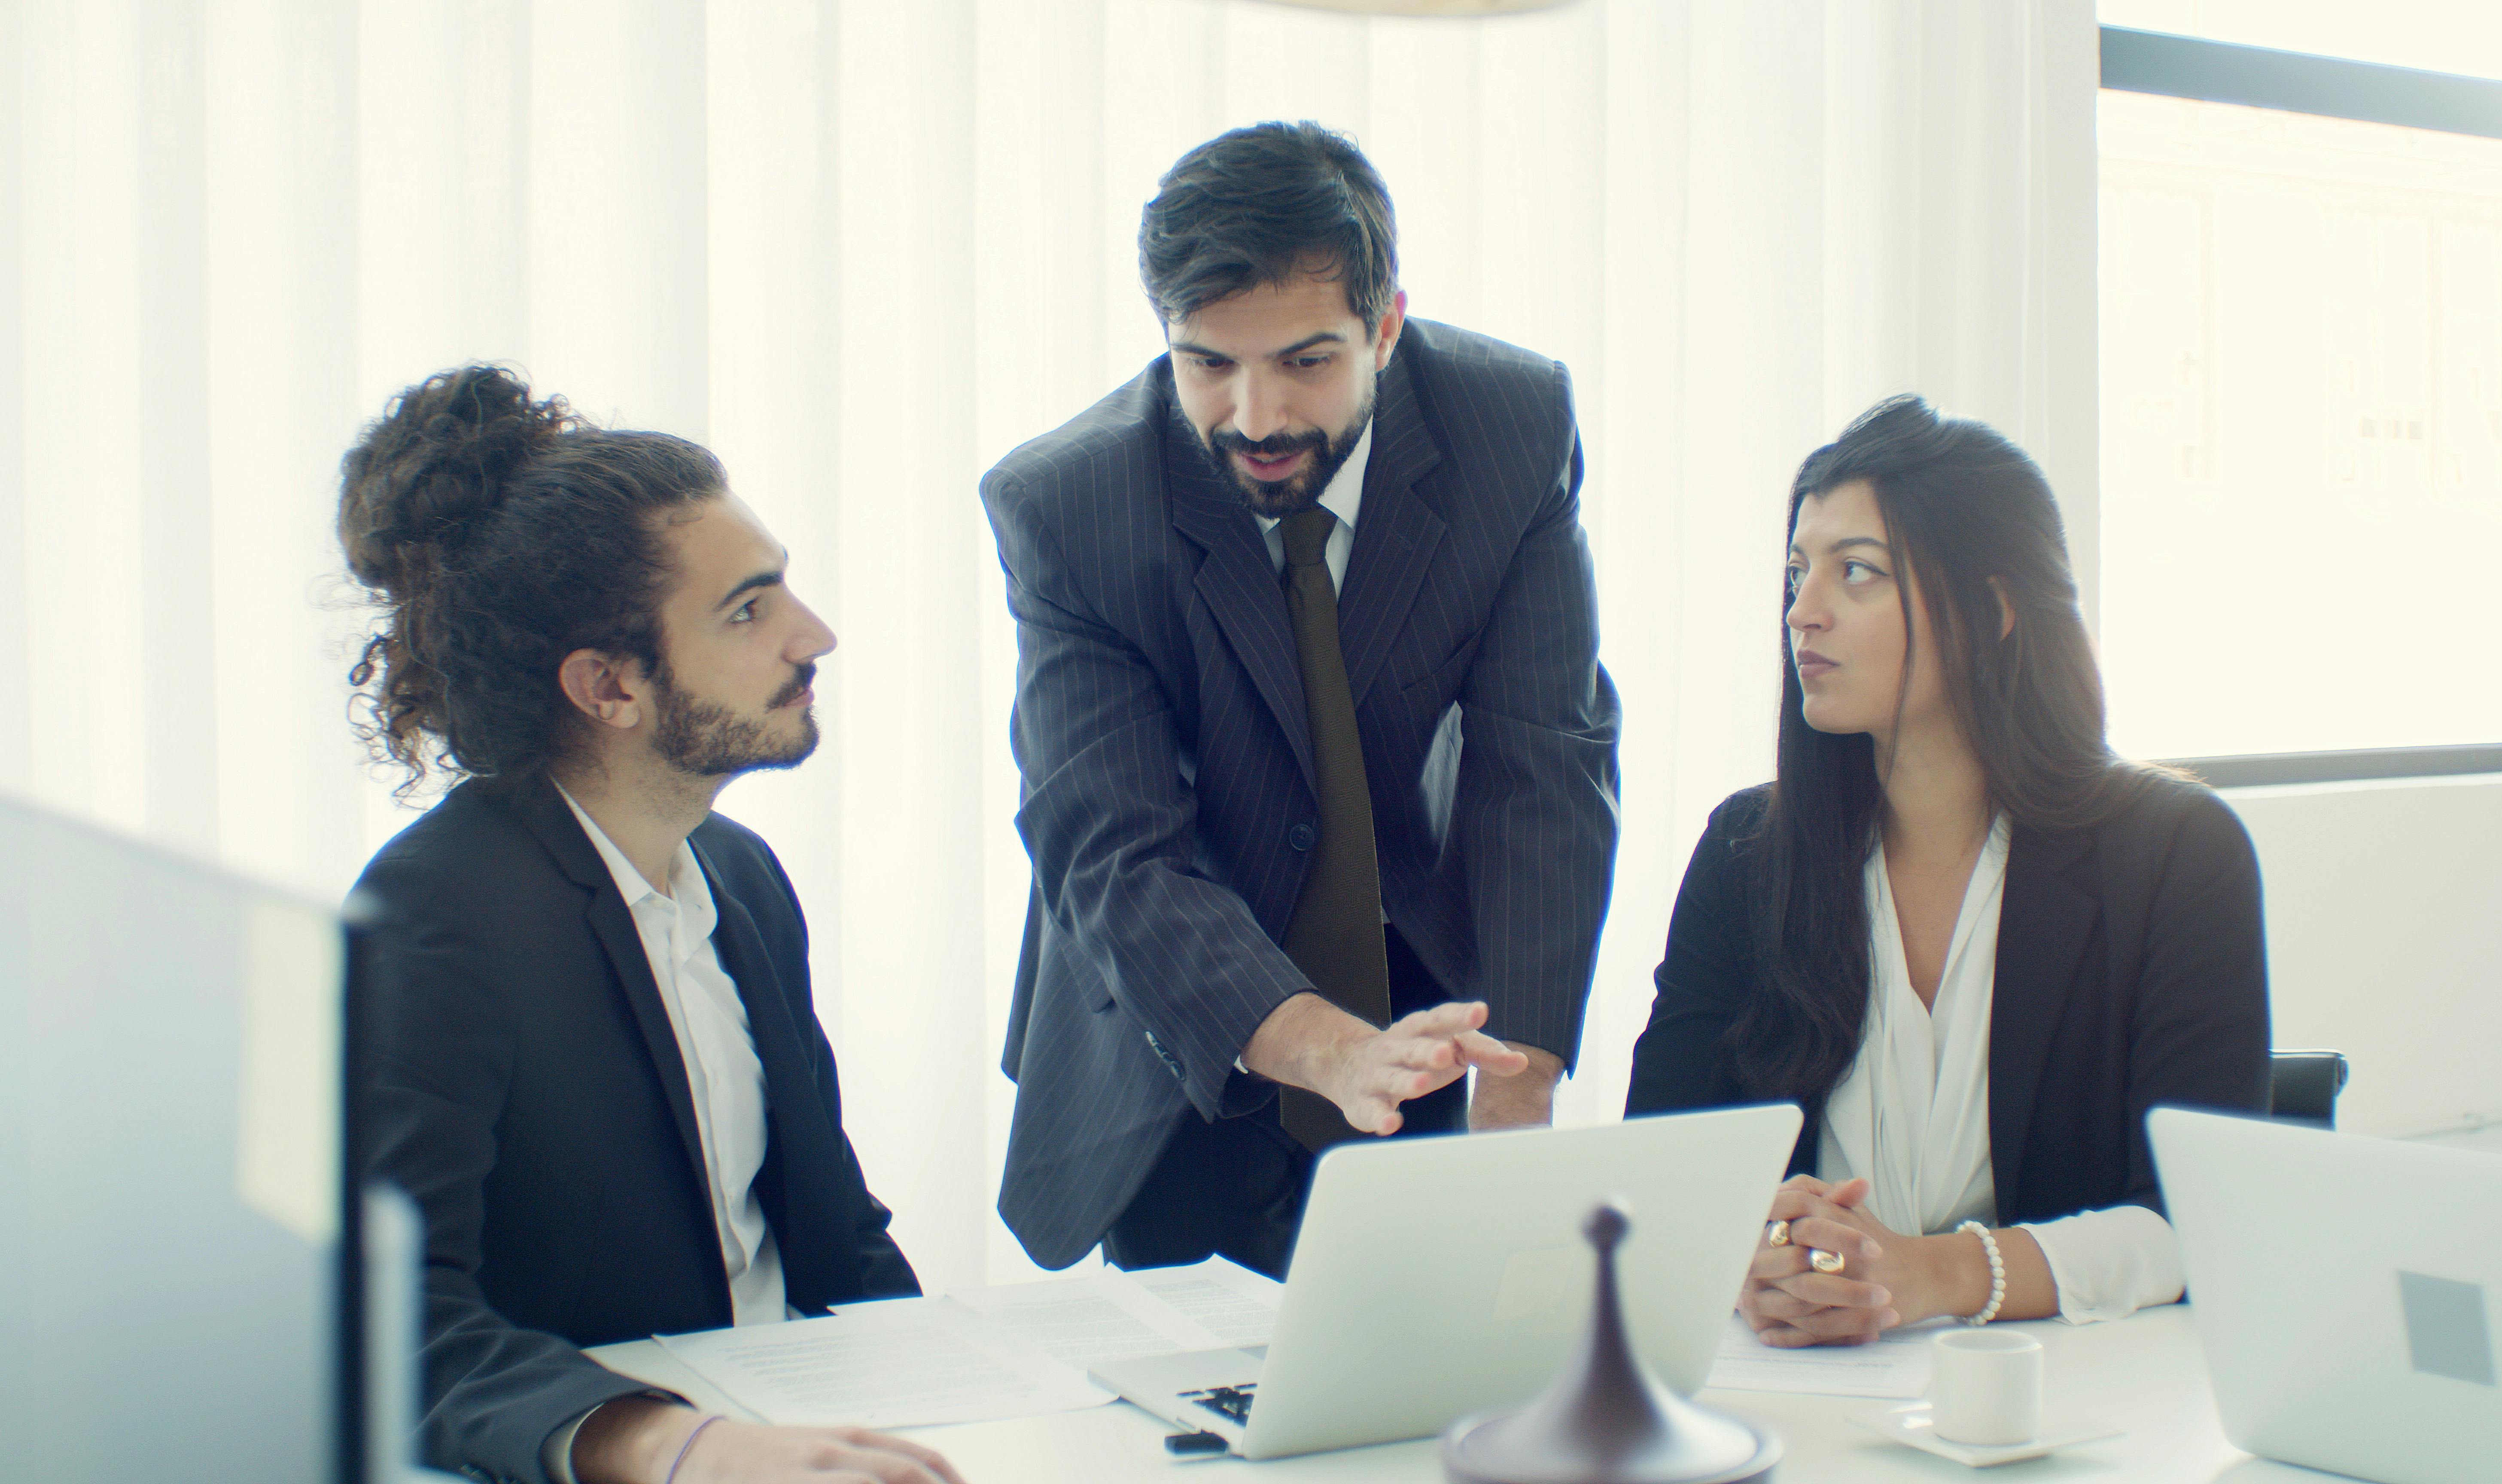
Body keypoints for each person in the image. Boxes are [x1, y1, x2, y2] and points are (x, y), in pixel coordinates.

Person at [982, 121, 1621, 1277]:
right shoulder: (1070, 504)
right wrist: (1323, 1051)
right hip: (1180, 1037)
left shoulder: (1509, 429)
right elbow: (1111, 850)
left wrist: (1517, 1102)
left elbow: (1546, 767)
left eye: (1307, 361)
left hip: (1423, 1008)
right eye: (1210, 364)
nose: (1258, 417)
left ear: (1386, 325)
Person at [340, 367, 965, 1484]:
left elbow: (835, 1234)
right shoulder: (433, 918)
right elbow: (389, 1321)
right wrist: (671, 1445)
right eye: (749, 609)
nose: (813, 636)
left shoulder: (743, 880)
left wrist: (952, 1416)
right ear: (610, 689)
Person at [1626, 395, 2269, 1344]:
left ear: (1994, 609)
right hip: (1802, 1389)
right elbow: (1661, 1169)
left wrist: (1936, 1274)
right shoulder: (1745, 854)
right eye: (1797, 574)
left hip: (2080, 1397)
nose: (1802, 613)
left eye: (1858, 574)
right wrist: (1755, 1250)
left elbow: (2194, 1220)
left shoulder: (2176, 854)